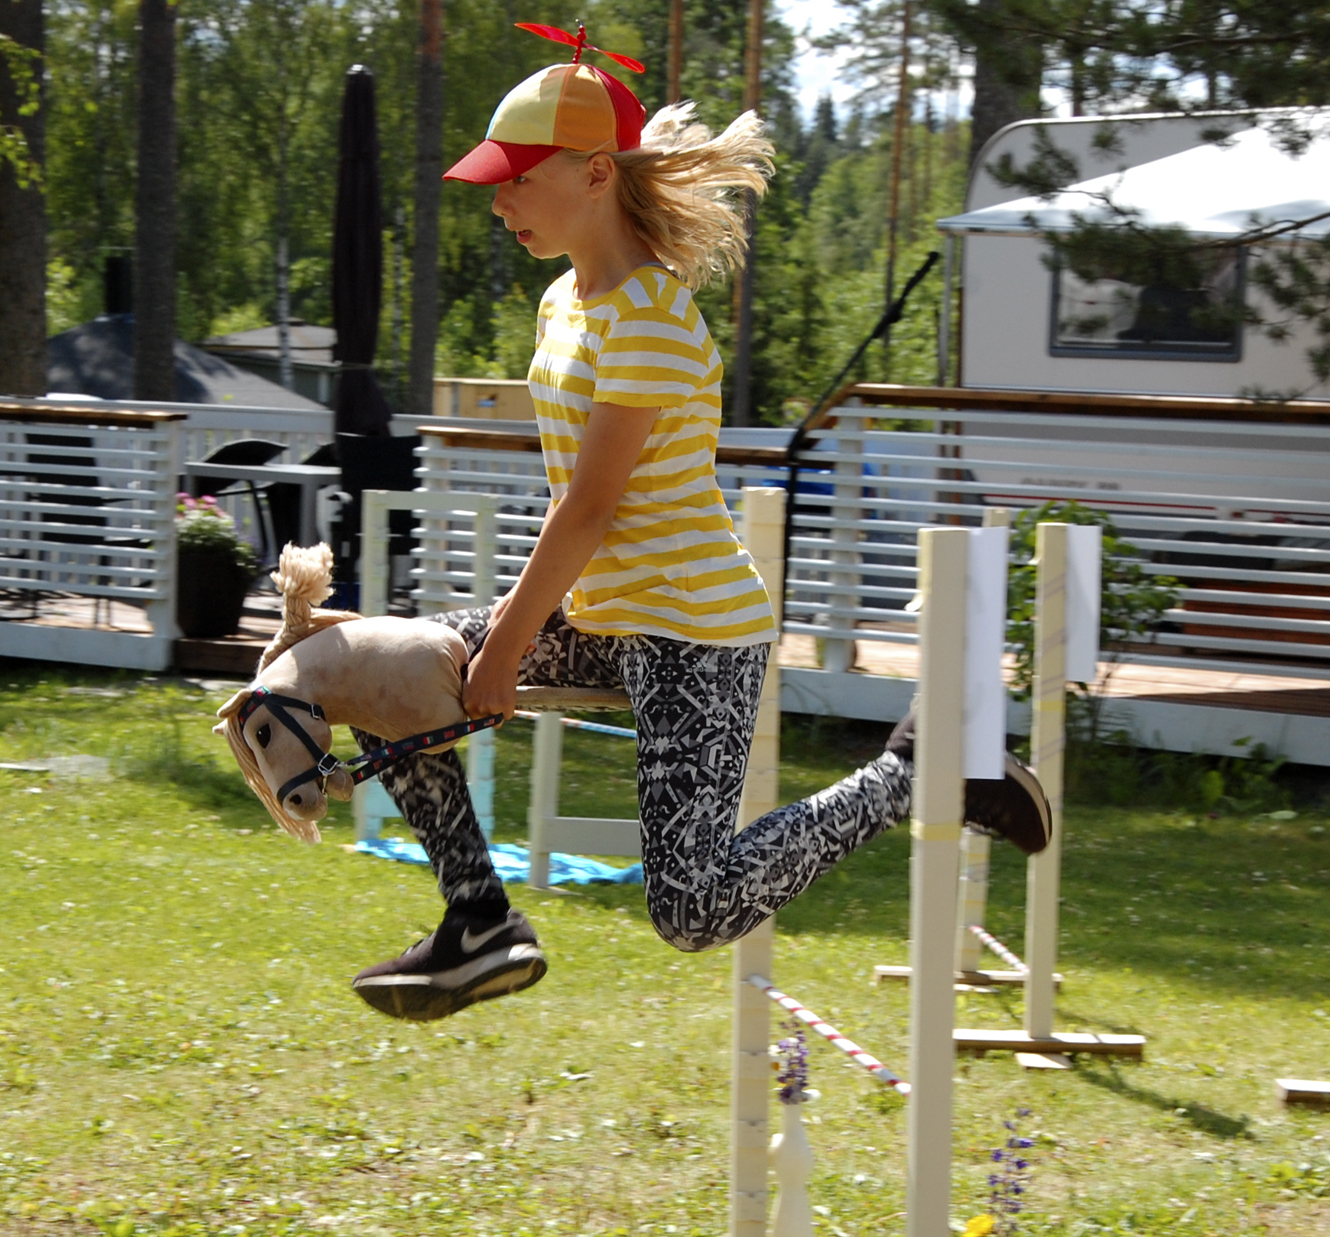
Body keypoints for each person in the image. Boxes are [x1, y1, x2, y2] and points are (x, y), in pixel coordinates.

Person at [349, 37, 1048, 1021]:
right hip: (603, 613)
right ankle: (479, 919)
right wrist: (496, 639)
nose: (497, 199)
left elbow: (587, 506)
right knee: (390, 667)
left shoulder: (654, 320)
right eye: (490, 179)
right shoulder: (562, 302)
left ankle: (908, 772)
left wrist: (505, 642)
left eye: (514, 179)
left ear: (594, 174)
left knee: (688, 905)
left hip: (693, 630)